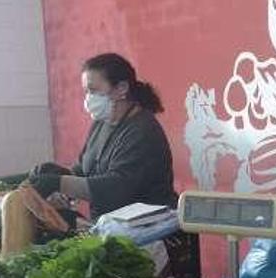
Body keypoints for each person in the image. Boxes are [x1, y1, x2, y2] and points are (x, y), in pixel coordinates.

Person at [30, 53, 177, 219]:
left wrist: (59, 183)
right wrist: (62, 173)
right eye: (86, 91)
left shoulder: (143, 131)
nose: (88, 98)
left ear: (121, 88)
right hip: (110, 224)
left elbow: (117, 187)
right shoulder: (102, 123)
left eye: (93, 91)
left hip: (147, 228)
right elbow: (85, 169)